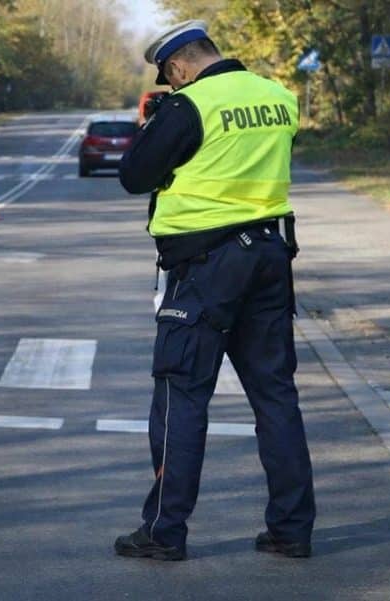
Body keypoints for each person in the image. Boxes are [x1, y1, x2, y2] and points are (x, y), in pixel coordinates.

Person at [114, 20, 316, 561]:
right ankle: (291, 529)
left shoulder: (189, 106)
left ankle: (163, 531)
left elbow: (135, 175)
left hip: (207, 267)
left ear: (176, 67)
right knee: (276, 397)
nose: (172, 86)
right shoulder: (279, 97)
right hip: (271, 256)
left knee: (181, 394)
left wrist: (152, 127)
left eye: (170, 78)